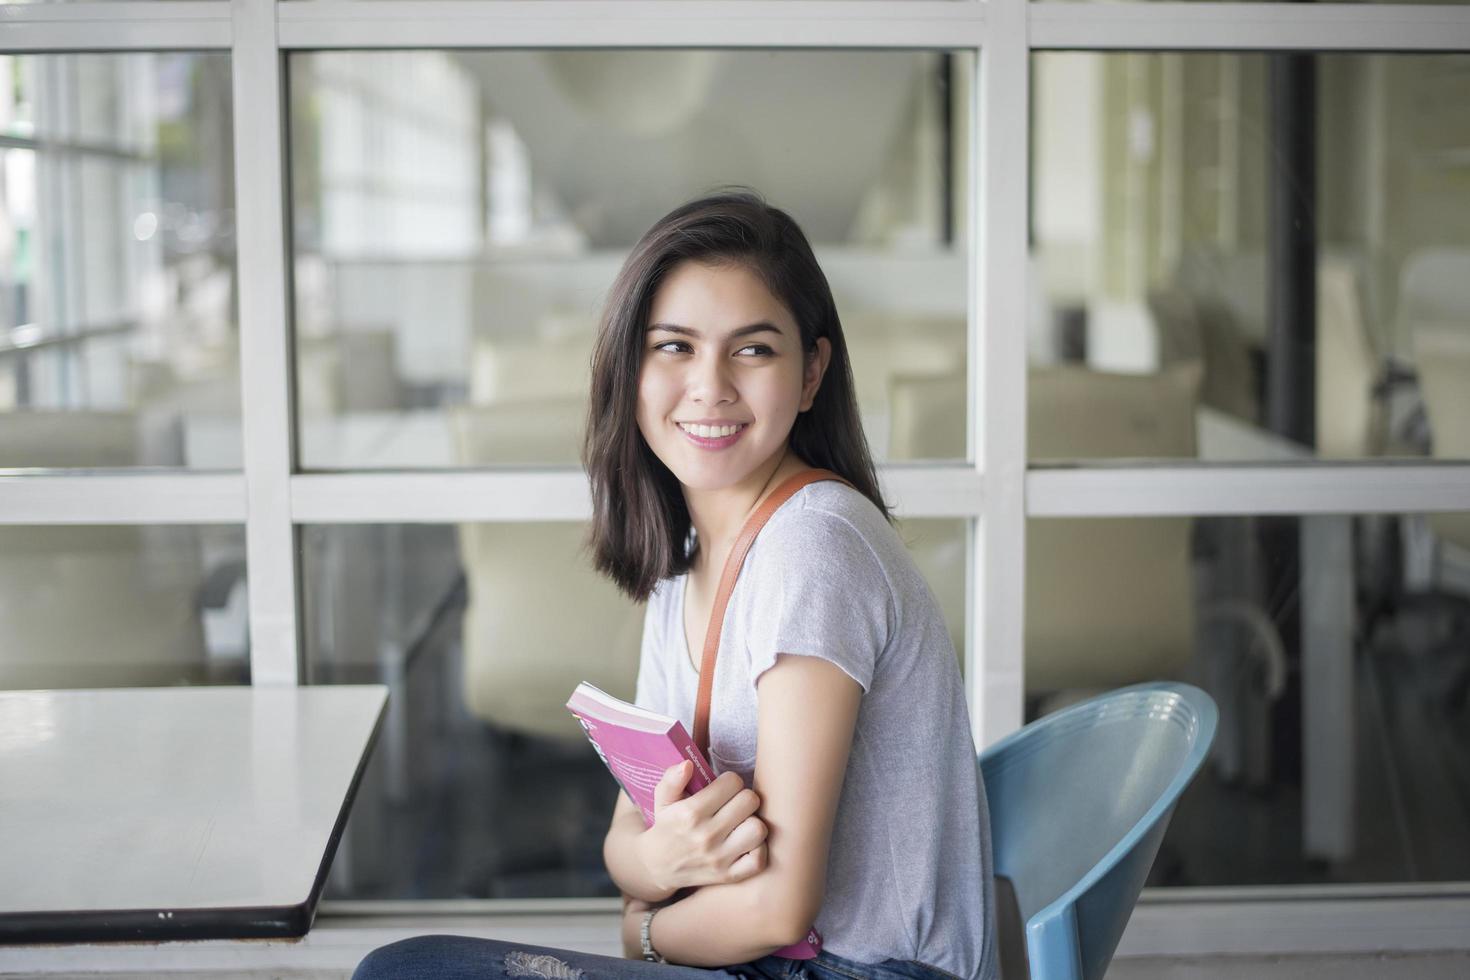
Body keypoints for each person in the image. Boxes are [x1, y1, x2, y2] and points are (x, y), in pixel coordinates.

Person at [353, 189, 997, 980]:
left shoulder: (814, 547)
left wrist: (646, 932)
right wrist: (658, 864)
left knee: (409, 973)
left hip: (860, 971)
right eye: (674, 347)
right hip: (764, 965)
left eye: (753, 350)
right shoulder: (686, 559)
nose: (711, 386)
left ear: (811, 373)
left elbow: (778, 907)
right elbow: (627, 838)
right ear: (630, 369)